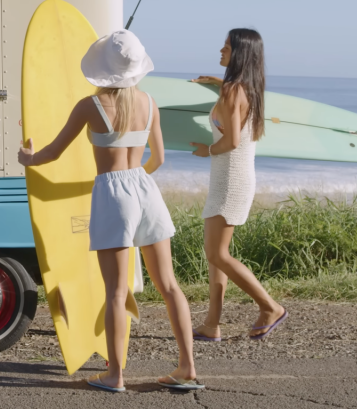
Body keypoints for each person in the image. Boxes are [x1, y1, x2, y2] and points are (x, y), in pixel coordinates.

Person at [18, 30, 203, 393]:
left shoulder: (91, 105)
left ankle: (116, 375)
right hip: (146, 189)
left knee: (116, 292)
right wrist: (136, 185)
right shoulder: (149, 103)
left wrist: (28, 159)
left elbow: (53, 152)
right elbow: (159, 159)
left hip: (113, 192)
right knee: (168, 285)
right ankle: (187, 367)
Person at [190, 28, 287, 341]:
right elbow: (236, 114)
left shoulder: (234, 92)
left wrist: (207, 150)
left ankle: (270, 307)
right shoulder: (246, 89)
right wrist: (219, 84)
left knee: (217, 254)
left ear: (240, 54)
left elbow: (230, 141)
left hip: (230, 179)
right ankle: (211, 323)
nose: (221, 50)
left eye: (227, 47)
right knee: (217, 253)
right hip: (232, 177)